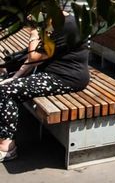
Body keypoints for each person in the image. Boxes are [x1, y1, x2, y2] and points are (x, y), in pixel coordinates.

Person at [0, 13, 90, 162]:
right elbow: (33, 61)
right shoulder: (52, 23)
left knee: (5, 92)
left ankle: (7, 147)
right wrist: (14, 77)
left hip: (66, 78)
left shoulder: (68, 25)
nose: (28, 14)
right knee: (5, 83)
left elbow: (34, 57)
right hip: (49, 72)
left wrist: (34, 33)